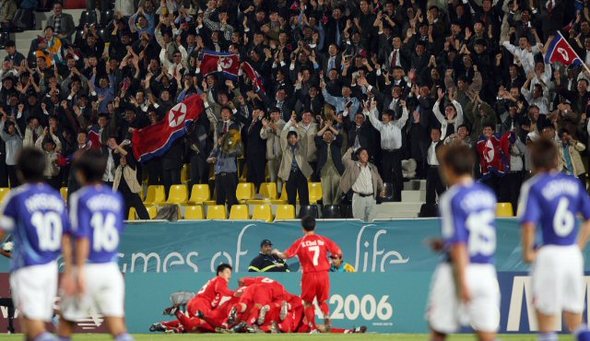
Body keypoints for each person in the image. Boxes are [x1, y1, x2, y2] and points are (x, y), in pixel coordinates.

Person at [426, 143, 500, 341]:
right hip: (486, 271)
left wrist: (463, 282)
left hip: (457, 271)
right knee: (487, 336)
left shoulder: (451, 198)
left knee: (438, 331)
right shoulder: (487, 195)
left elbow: (460, 244)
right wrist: (445, 242)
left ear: (449, 167)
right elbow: (474, 233)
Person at [518, 138, 590, 341]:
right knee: (576, 320)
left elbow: (528, 224)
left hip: (549, 254)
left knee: (547, 323)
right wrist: (577, 246)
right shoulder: (573, 183)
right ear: (556, 159)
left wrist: (528, 253)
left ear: (533, 160)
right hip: (572, 255)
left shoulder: (534, 186)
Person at [58, 149, 133, 341]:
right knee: (118, 328)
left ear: (81, 173)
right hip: (110, 269)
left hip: (88, 267)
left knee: (66, 325)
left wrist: (76, 272)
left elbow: (81, 237)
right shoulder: (115, 198)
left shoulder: (80, 198)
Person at [0, 147, 68, 341]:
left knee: (35, 329)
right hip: (50, 268)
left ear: (19, 170)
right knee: (31, 332)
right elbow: (66, 236)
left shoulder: (17, 196)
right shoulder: (56, 198)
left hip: (27, 268)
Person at [272, 216, 342, 333]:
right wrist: (330, 261)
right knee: (322, 301)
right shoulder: (322, 239)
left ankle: (312, 328)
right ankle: (326, 315)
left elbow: (285, 256)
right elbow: (338, 252)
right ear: (315, 226)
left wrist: (276, 252)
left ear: (302, 228)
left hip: (309, 275)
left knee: (308, 303)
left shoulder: (301, 242)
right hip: (323, 273)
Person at [156, 263, 234, 333]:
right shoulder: (220, 279)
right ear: (220, 273)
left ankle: (165, 325)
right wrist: (236, 294)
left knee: (194, 328)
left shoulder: (213, 281)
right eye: (227, 272)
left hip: (193, 302)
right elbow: (222, 290)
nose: (229, 275)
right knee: (211, 327)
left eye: (230, 273)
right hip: (202, 304)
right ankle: (177, 313)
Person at [365, 97, 408, 202]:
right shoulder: (381, 126)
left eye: (385, 115)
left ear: (390, 117)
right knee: (386, 174)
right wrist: (371, 109)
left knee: (398, 175)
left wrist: (405, 107)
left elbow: (404, 118)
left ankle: (399, 197)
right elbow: (373, 120)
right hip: (386, 154)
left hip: (396, 153)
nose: (383, 117)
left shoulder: (398, 125)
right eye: (383, 115)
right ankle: (387, 196)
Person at [340, 148, 384, 222]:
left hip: (371, 198)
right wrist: (351, 149)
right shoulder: (353, 165)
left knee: (371, 222)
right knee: (359, 222)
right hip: (359, 198)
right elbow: (344, 159)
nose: (365, 155)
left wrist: (382, 189)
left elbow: (378, 179)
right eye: (363, 154)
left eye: (366, 154)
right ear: (358, 156)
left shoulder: (372, 167)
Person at [207, 128, 243, 209]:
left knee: (231, 198)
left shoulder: (232, 147)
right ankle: (220, 215)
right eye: (220, 138)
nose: (221, 140)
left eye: (223, 138)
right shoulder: (216, 149)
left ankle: (233, 216)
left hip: (230, 175)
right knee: (219, 198)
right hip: (219, 176)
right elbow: (208, 159)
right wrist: (212, 159)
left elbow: (239, 153)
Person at [278, 128, 313, 207]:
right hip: (290, 175)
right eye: (290, 137)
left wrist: (297, 126)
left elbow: (304, 136)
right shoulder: (285, 148)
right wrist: (290, 123)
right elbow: (282, 136)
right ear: (288, 139)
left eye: (294, 137)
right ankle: (292, 216)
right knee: (291, 199)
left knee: (304, 198)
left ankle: (304, 215)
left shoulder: (302, 147)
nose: (292, 139)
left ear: (297, 138)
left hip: (301, 173)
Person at [425, 127, 445, 204]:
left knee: (441, 190)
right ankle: (430, 209)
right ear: (430, 135)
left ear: (440, 135)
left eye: (437, 133)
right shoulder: (427, 144)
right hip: (430, 169)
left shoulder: (443, 144)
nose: (434, 135)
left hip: (440, 169)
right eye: (433, 133)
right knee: (429, 190)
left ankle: (443, 208)